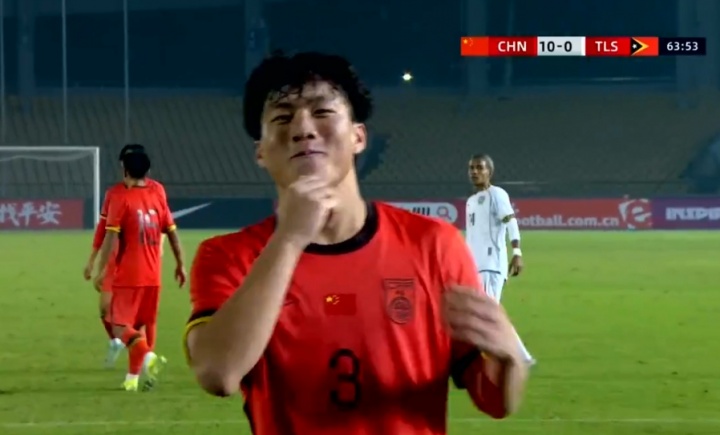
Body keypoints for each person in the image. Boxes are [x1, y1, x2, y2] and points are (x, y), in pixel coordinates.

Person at [184, 51, 529, 434]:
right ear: (260, 152)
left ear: (358, 136)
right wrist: (290, 238)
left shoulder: (434, 245)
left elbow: (495, 400)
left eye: (322, 111)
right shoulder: (228, 256)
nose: (303, 128)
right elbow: (218, 372)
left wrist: (509, 360)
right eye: (282, 118)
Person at [93, 150, 186, 392]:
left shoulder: (123, 199)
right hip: (153, 275)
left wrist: (101, 269)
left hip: (129, 275)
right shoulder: (157, 195)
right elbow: (172, 232)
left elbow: (110, 237)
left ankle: (149, 358)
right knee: (141, 326)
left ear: (125, 170)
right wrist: (180, 264)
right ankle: (132, 380)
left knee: (118, 325)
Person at [83, 144, 168, 368]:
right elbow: (103, 229)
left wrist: (160, 245)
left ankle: (144, 362)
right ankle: (119, 343)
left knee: (141, 319)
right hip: (115, 260)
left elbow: (163, 221)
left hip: (141, 260)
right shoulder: (114, 193)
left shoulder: (157, 189)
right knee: (106, 310)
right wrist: (93, 260)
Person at [465, 154, 534, 364]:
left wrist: (517, 253)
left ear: (490, 171)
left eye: (480, 168)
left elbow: (510, 222)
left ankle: (509, 356)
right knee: (487, 313)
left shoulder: (497, 194)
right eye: (472, 168)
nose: (475, 172)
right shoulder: (471, 201)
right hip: (475, 266)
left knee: (487, 313)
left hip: (491, 264)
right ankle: (519, 356)